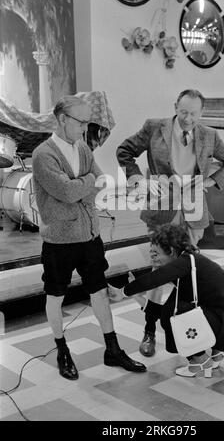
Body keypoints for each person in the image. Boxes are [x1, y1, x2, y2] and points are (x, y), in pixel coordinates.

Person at [116, 89, 224, 357]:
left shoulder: (209, 135)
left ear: (201, 113)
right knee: (159, 272)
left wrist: (211, 181)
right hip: (162, 209)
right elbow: (124, 151)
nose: (188, 119)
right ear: (175, 106)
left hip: (194, 212)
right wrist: (139, 179)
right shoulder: (154, 127)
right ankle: (149, 331)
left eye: (194, 114)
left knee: (190, 273)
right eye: (184, 112)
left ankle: (193, 334)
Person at [32, 95, 146, 380]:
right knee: (55, 295)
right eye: (81, 122)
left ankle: (112, 349)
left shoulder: (82, 148)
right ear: (61, 119)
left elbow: (102, 181)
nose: (85, 128)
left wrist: (81, 184)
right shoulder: (43, 155)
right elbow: (67, 192)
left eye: (87, 122)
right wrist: (86, 184)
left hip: (90, 233)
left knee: (99, 290)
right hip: (59, 240)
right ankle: (62, 350)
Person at [108, 224, 224, 378]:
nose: (152, 257)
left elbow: (156, 278)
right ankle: (217, 353)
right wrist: (136, 297)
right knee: (171, 311)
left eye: (156, 253)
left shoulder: (185, 262)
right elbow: (162, 312)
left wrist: (123, 292)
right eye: (151, 252)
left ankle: (200, 360)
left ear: (172, 251)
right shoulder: (188, 265)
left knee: (173, 316)